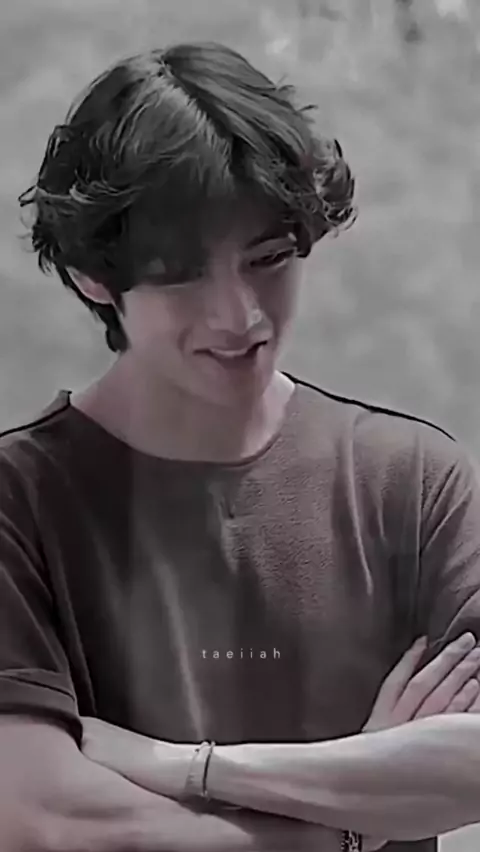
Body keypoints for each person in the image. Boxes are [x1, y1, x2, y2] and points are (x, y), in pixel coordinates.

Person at [2, 40, 480, 852]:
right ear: (93, 277)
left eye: (269, 259)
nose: (241, 316)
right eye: (183, 273)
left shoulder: (413, 481)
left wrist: (185, 767)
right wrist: (349, 822)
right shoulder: (20, 501)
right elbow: (45, 816)